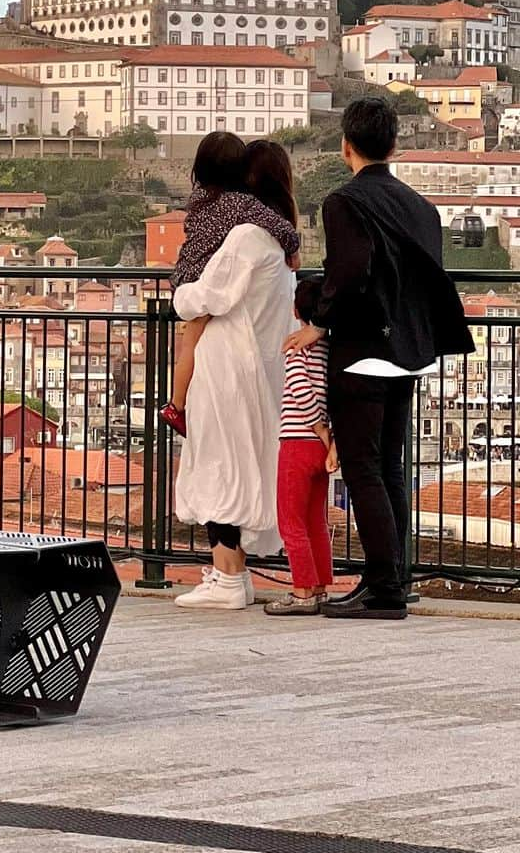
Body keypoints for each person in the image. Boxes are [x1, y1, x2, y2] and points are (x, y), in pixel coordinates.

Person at [285, 95, 474, 620]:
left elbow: (352, 273)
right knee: (389, 465)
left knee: (362, 467)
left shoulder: (344, 202)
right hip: (410, 350)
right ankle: (394, 579)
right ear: (393, 145)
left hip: (364, 349)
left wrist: (318, 318)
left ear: (346, 146)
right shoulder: (422, 207)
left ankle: (382, 586)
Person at [172, 139, 298, 611]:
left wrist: (180, 294)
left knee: (218, 465)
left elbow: (203, 297)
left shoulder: (245, 239)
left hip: (226, 366)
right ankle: (235, 575)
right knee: (243, 466)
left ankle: (226, 577)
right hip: (262, 368)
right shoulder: (282, 244)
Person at [161, 132, 300, 438]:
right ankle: (177, 404)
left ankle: (176, 403)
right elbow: (282, 227)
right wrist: (293, 246)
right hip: (206, 280)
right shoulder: (243, 208)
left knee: (189, 344)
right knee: (194, 341)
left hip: (187, 274)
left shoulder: (198, 200)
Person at [264, 275, 338, 616]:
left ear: (296, 310)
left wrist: (319, 428)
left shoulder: (298, 346)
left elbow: (299, 389)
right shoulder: (329, 349)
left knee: (290, 520)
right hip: (320, 450)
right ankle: (321, 585)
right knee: (315, 520)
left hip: (297, 440)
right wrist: (328, 436)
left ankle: (302, 590)